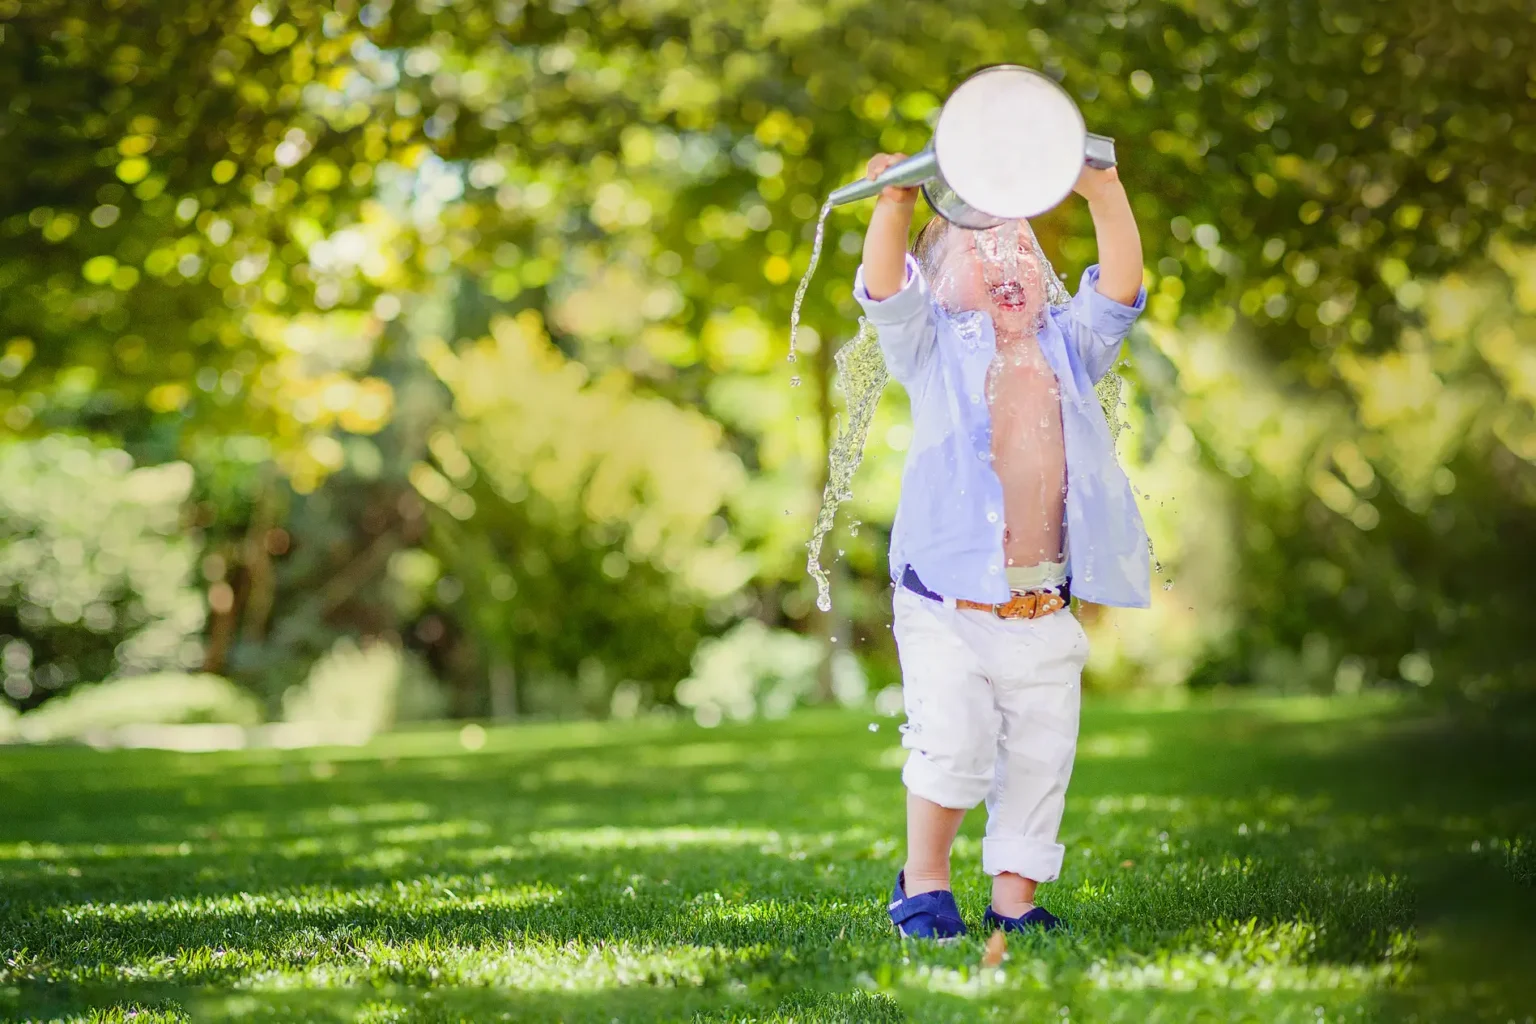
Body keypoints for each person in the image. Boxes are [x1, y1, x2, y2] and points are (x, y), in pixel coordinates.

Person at [854, 152, 1148, 939]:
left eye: (1016, 244)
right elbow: (885, 289)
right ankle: (923, 883)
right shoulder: (933, 349)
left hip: (1043, 606)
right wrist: (895, 205)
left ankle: (1014, 903)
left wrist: (1103, 192)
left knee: (1040, 761)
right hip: (945, 603)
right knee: (954, 742)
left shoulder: (1068, 351)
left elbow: (1119, 288)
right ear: (939, 284)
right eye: (976, 247)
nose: (1001, 255)